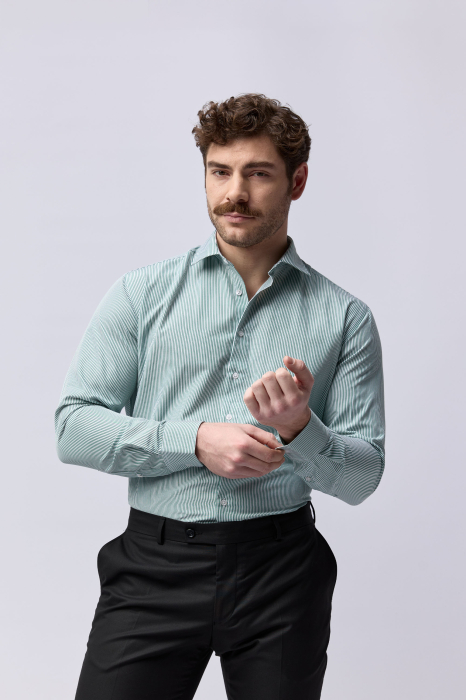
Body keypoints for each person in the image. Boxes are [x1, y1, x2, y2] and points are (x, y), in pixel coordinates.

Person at [55, 93, 385, 700]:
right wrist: (197, 440)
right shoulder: (141, 293)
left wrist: (300, 428)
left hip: (283, 573)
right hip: (152, 568)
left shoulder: (345, 317)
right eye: (219, 171)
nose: (235, 192)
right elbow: (73, 428)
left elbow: (363, 477)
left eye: (258, 174)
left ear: (297, 182)